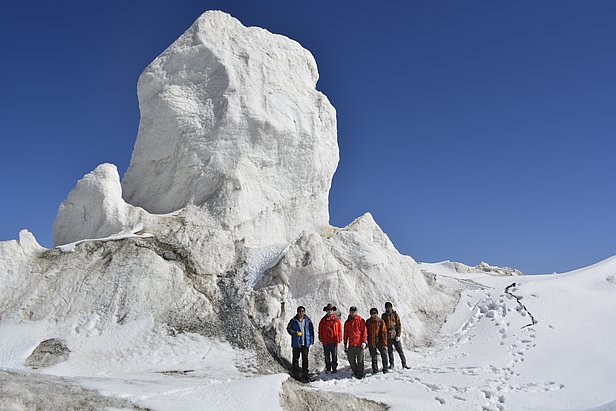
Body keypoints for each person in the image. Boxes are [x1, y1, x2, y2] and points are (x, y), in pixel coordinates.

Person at [287, 306, 315, 380]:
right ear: (297, 312)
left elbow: (311, 330)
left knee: (305, 358)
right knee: (296, 358)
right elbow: (289, 329)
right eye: (299, 311)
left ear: (304, 312)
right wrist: (295, 333)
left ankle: (305, 373)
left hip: (305, 343)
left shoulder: (308, 320)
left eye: (302, 311)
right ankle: (295, 373)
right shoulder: (293, 320)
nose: (301, 312)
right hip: (296, 343)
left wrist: (311, 339)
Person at [382, 301, 409, 369]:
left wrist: (398, 335)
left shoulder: (395, 315)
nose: (388, 308)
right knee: (390, 352)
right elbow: (382, 326)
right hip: (388, 336)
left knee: (400, 351)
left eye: (389, 307)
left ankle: (404, 364)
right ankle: (392, 364)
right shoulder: (384, 315)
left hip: (395, 335)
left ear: (391, 307)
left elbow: (399, 325)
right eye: (387, 307)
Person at [343, 306, 367, 379]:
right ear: (349, 312)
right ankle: (356, 372)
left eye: (354, 311)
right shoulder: (347, 322)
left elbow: (364, 332)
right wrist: (345, 343)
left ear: (356, 312)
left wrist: (364, 341)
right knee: (351, 360)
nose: (353, 312)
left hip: (359, 344)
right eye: (352, 311)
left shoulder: (361, 320)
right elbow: (345, 333)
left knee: (360, 361)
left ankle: (360, 375)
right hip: (351, 344)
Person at [318, 303, 342, 373]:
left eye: (331, 310)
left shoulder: (336, 320)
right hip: (326, 341)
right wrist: (320, 337)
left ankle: (334, 368)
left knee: (334, 355)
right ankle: (328, 368)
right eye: (328, 310)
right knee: (327, 355)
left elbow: (340, 330)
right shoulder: (323, 320)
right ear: (326, 311)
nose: (329, 311)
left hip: (334, 341)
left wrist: (339, 337)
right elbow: (320, 330)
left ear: (333, 311)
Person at [366, 307, 389, 374]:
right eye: (372, 313)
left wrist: (384, 343)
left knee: (384, 355)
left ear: (377, 313)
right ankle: (375, 370)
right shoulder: (368, 321)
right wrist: (366, 341)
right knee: (374, 357)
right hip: (371, 341)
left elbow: (384, 332)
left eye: (375, 313)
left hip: (380, 341)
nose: (373, 315)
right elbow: (365, 332)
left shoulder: (380, 321)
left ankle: (385, 369)